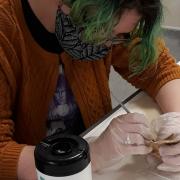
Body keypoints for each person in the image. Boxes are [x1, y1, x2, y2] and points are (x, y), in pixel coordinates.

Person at [0, 0, 180, 179]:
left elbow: (160, 69)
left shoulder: (110, 14)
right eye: (106, 33)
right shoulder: (6, 29)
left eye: (119, 35)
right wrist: (93, 155)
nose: (111, 45)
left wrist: (176, 122)